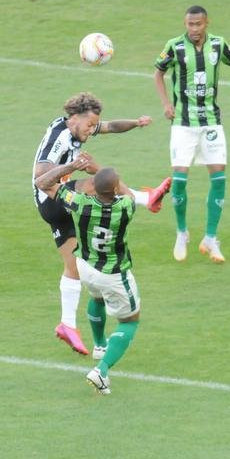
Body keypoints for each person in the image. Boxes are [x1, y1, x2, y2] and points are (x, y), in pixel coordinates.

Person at [32, 92, 168, 356]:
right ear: (74, 119)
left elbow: (111, 127)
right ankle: (144, 198)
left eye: (94, 125)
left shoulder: (78, 128)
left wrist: (136, 123)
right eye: (89, 125)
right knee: (101, 181)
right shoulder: (59, 137)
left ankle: (67, 324)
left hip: (49, 207)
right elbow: (40, 176)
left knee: (72, 266)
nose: (93, 129)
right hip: (49, 196)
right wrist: (72, 165)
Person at [35, 153, 152, 394]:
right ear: (114, 190)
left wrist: (69, 167)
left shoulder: (79, 203)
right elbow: (128, 194)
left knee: (96, 297)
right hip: (114, 272)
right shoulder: (125, 208)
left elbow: (42, 183)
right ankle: (101, 371)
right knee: (130, 321)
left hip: (86, 266)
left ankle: (99, 344)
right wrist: (101, 170)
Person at [153, 5, 230, 263]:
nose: (194, 29)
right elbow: (158, 74)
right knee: (180, 179)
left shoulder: (218, 44)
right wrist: (165, 103)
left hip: (212, 122)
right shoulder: (174, 46)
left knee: (219, 177)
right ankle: (182, 232)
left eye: (198, 24)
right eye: (190, 25)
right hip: (183, 123)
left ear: (207, 23)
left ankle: (210, 238)